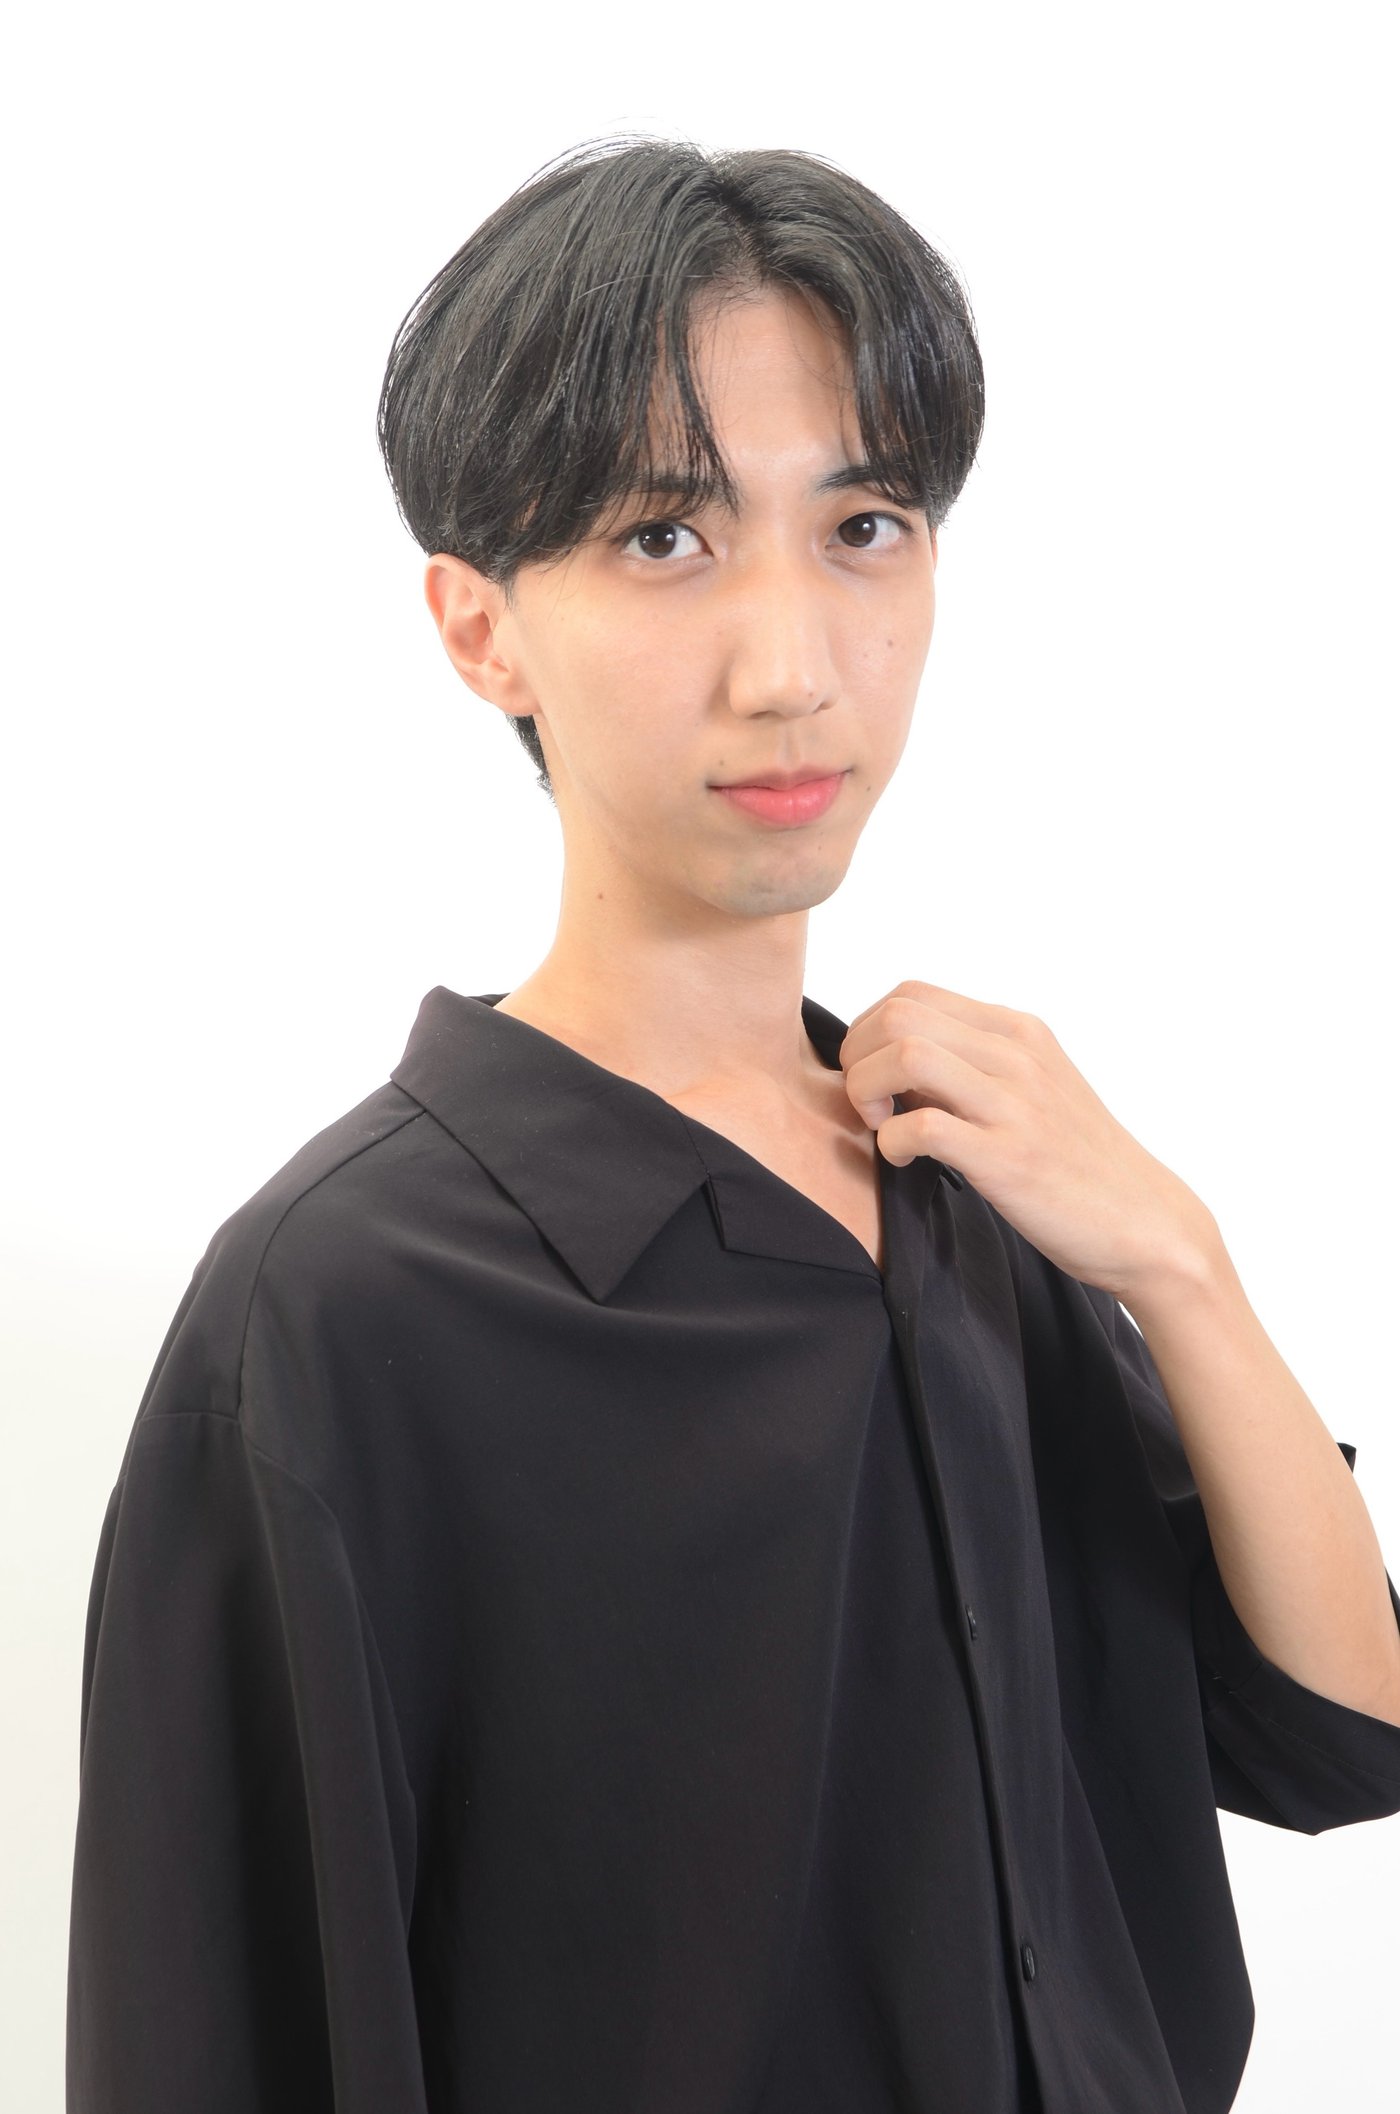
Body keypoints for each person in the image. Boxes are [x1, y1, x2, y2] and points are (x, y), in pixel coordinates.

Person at [65, 134, 1400, 2114]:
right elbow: (222, 2043)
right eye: (663, 540)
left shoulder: (973, 1189)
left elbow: (1340, 1731)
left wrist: (1176, 1262)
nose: (794, 667)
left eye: (863, 524)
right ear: (480, 627)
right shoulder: (338, 1304)